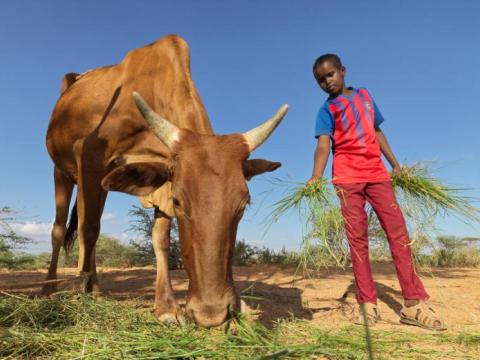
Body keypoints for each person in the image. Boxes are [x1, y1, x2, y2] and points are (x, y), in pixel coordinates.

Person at [308, 53, 446, 331]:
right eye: (320, 80)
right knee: (357, 241)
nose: (326, 82)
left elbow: (377, 131)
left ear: (343, 71)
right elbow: (324, 145)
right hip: (346, 178)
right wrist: (315, 177)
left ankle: (413, 302)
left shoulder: (365, 96)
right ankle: (367, 302)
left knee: (399, 234)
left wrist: (395, 164)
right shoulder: (326, 110)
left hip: (377, 175)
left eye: (330, 75)